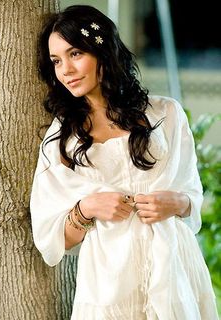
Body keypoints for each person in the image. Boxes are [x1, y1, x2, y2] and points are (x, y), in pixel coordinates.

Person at [30, 5, 219, 320]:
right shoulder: (64, 137)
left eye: (75, 53)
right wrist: (86, 209)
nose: (65, 70)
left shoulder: (166, 114)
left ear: (103, 51)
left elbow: (192, 195)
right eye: (56, 61)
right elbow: (51, 236)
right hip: (108, 284)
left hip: (174, 273)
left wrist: (177, 202)